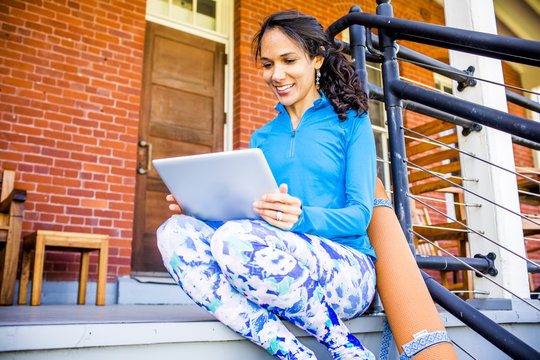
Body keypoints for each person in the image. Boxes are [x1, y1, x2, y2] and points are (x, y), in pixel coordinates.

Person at [157, 10, 377, 360]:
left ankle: (344, 347)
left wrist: (300, 218)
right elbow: (250, 222)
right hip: (272, 266)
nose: (277, 75)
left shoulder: (351, 122)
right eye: (267, 64)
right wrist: (200, 211)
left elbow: (360, 215)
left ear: (317, 58)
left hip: (347, 272)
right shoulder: (262, 138)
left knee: (237, 238)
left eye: (289, 60)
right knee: (174, 232)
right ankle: (291, 352)